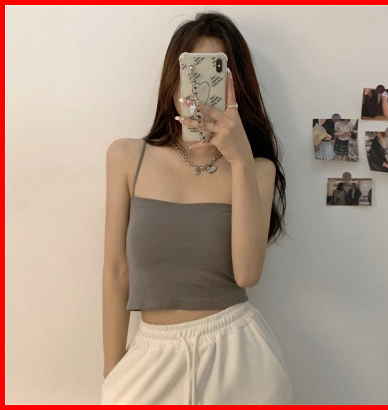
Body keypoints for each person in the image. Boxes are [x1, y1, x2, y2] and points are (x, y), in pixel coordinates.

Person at [101, 12, 292, 405]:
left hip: (238, 355)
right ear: (173, 81)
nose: (202, 91)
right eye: (192, 72)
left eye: (217, 75)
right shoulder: (127, 157)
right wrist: (112, 371)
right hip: (151, 355)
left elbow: (248, 273)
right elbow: (117, 270)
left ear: (237, 86)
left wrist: (239, 159)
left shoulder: (257, 169)